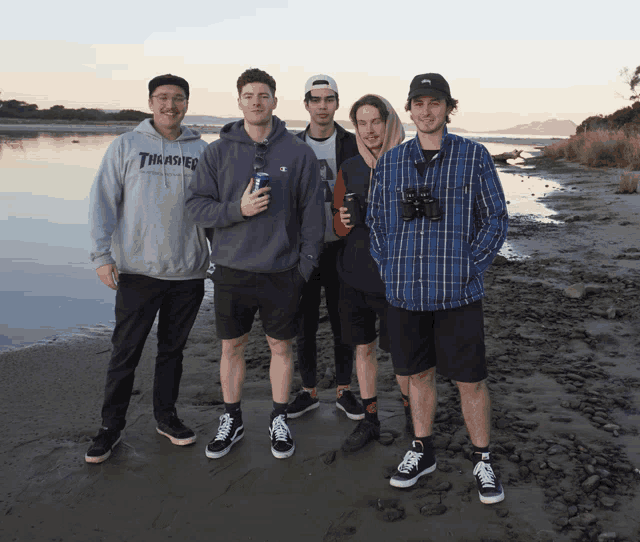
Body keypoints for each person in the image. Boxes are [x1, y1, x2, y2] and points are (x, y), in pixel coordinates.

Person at [367, 73, 508, 504]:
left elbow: (496, 220)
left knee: (470, 380)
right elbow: (375, 223)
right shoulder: (390, 163)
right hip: (406, 294)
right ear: (407, 110)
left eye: (435, 103)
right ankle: (422, 450)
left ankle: (482, 459)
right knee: (418, 375)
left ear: (448, 108)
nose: (426, 111)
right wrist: (390, 268)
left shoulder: (473, 156)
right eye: (419, 103)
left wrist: (471, 267)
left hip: (458, 294)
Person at [186, 68, 324, 460]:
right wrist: (237, 209)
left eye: (264, 95)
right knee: (232, 346)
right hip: (232, 269)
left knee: (281, 346)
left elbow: (313, 217)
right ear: (240, 101)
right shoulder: (217, 151)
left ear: (275, 101)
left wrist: (304, 267)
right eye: (249, 95)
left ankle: (278, 418)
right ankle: (232, 419)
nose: (257, 101)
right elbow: (196, 206)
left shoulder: (298, 153)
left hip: (282, 271)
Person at [86, 74, 209, 463]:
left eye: (177, 98)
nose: (169, 105)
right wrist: (101, 257)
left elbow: (212, 209)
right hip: (138, 271)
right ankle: (110, 427)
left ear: (187, 103)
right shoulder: (126, 145)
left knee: (172, 352)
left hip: (188, 272)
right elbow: (102, 201)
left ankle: (166, 416)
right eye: (162, 98)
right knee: (126, 351)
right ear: (150, 102)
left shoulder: (202, 150)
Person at [332, 94, 412, 453]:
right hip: (355, 274)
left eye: (375, 122)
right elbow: (337, 221)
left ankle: (414, 421)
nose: (369, 130)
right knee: (363, 350)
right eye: (361, 123)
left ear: (389, 120)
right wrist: (343, 220)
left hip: (398, 279)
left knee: (404, 357)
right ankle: (370, 419)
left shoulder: (411, 160)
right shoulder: (350, 167)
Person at [288, 74, 362, 421]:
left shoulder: (353, 143)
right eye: (315, 100)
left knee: (342, 321)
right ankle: (309, 391)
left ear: (336, 104)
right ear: (306, 104)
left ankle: (345, 391)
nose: (322, 106)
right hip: (304, 249)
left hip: (342, 248)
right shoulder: (290, 145)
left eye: (328, 99)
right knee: (303, 324)